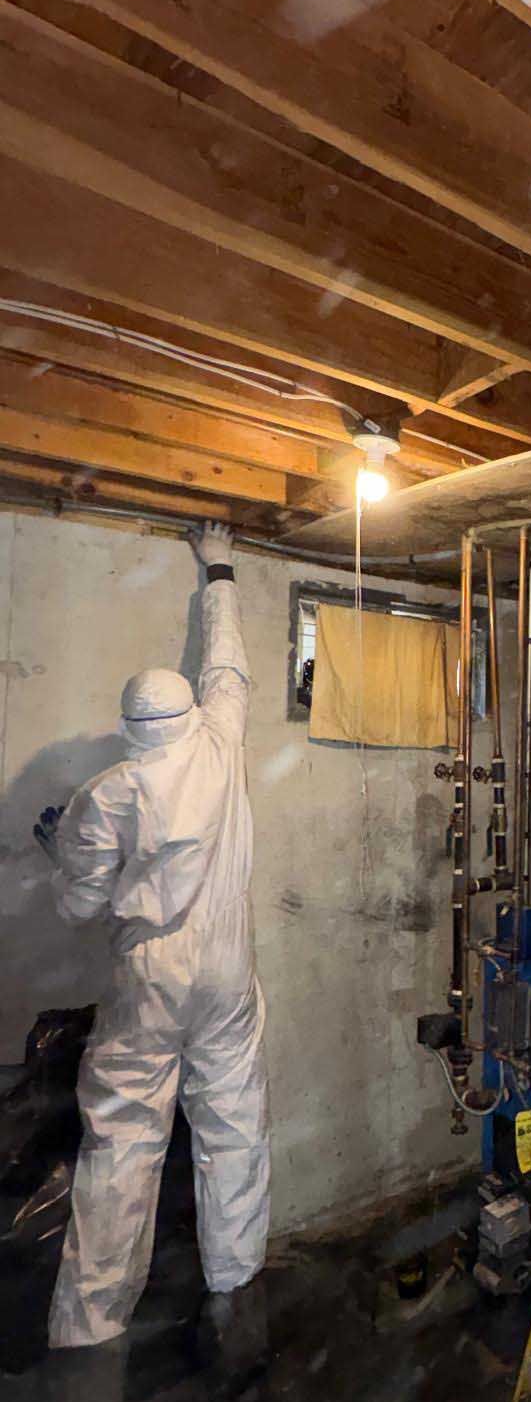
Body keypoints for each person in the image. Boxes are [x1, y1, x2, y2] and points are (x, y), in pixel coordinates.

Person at [35, 522, 270, 1347]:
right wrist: (221, 570)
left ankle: (92, 1325)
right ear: (187, 714)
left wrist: (55, 850)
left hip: (151, 977)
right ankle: (235, 1280)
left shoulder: (109, 794)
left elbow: (77, 907)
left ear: (132, 727)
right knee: (232, 1123)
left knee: (126, 1142)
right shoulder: (221, 743)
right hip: (226, 966)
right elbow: (229, 665)